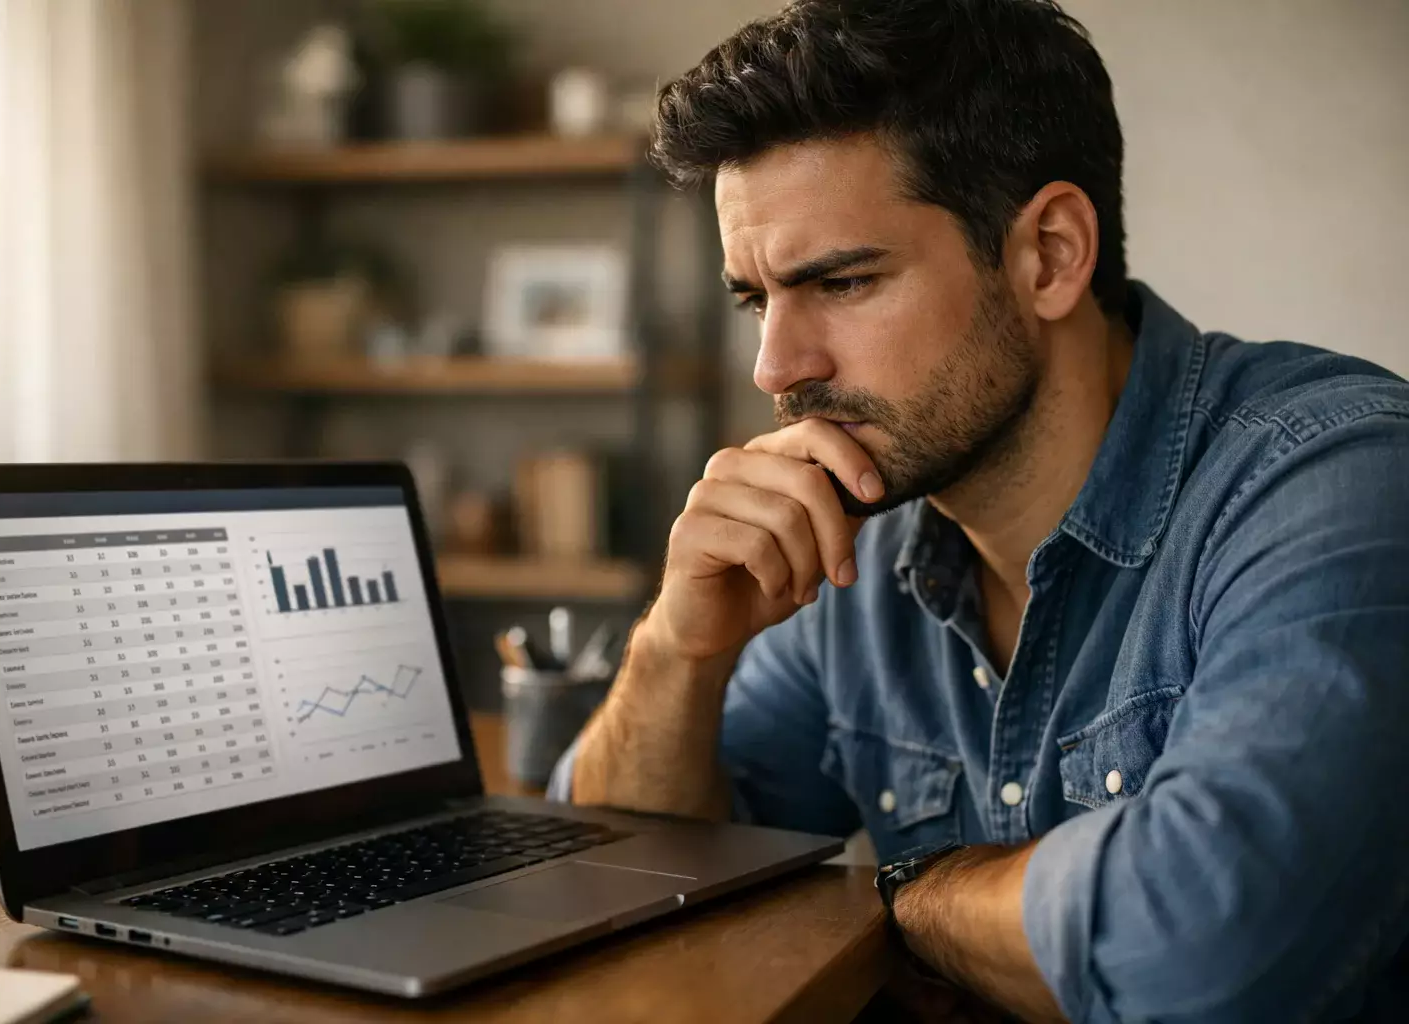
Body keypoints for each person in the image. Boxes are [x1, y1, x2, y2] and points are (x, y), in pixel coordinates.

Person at [545, 0, 1409, 1020]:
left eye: (845, 280)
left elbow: (1205, 949)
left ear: (1048, 253)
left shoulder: (1335, 478)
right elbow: (604, 895)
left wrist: (912, 889)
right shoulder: (851, 538)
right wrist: (677, 652)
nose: (776, 367)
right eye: (753, 299)